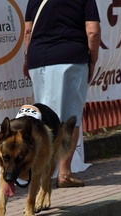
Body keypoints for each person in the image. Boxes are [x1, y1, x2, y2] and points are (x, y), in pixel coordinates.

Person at [23, 0, 101, 187]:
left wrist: (27, 58)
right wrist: (93, 60)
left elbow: (28, 31)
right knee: (69, 116)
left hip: (38, 58)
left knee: (43, 117)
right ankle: (64, 173)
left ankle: (42, 173)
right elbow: (93, 31)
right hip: (70, 58)